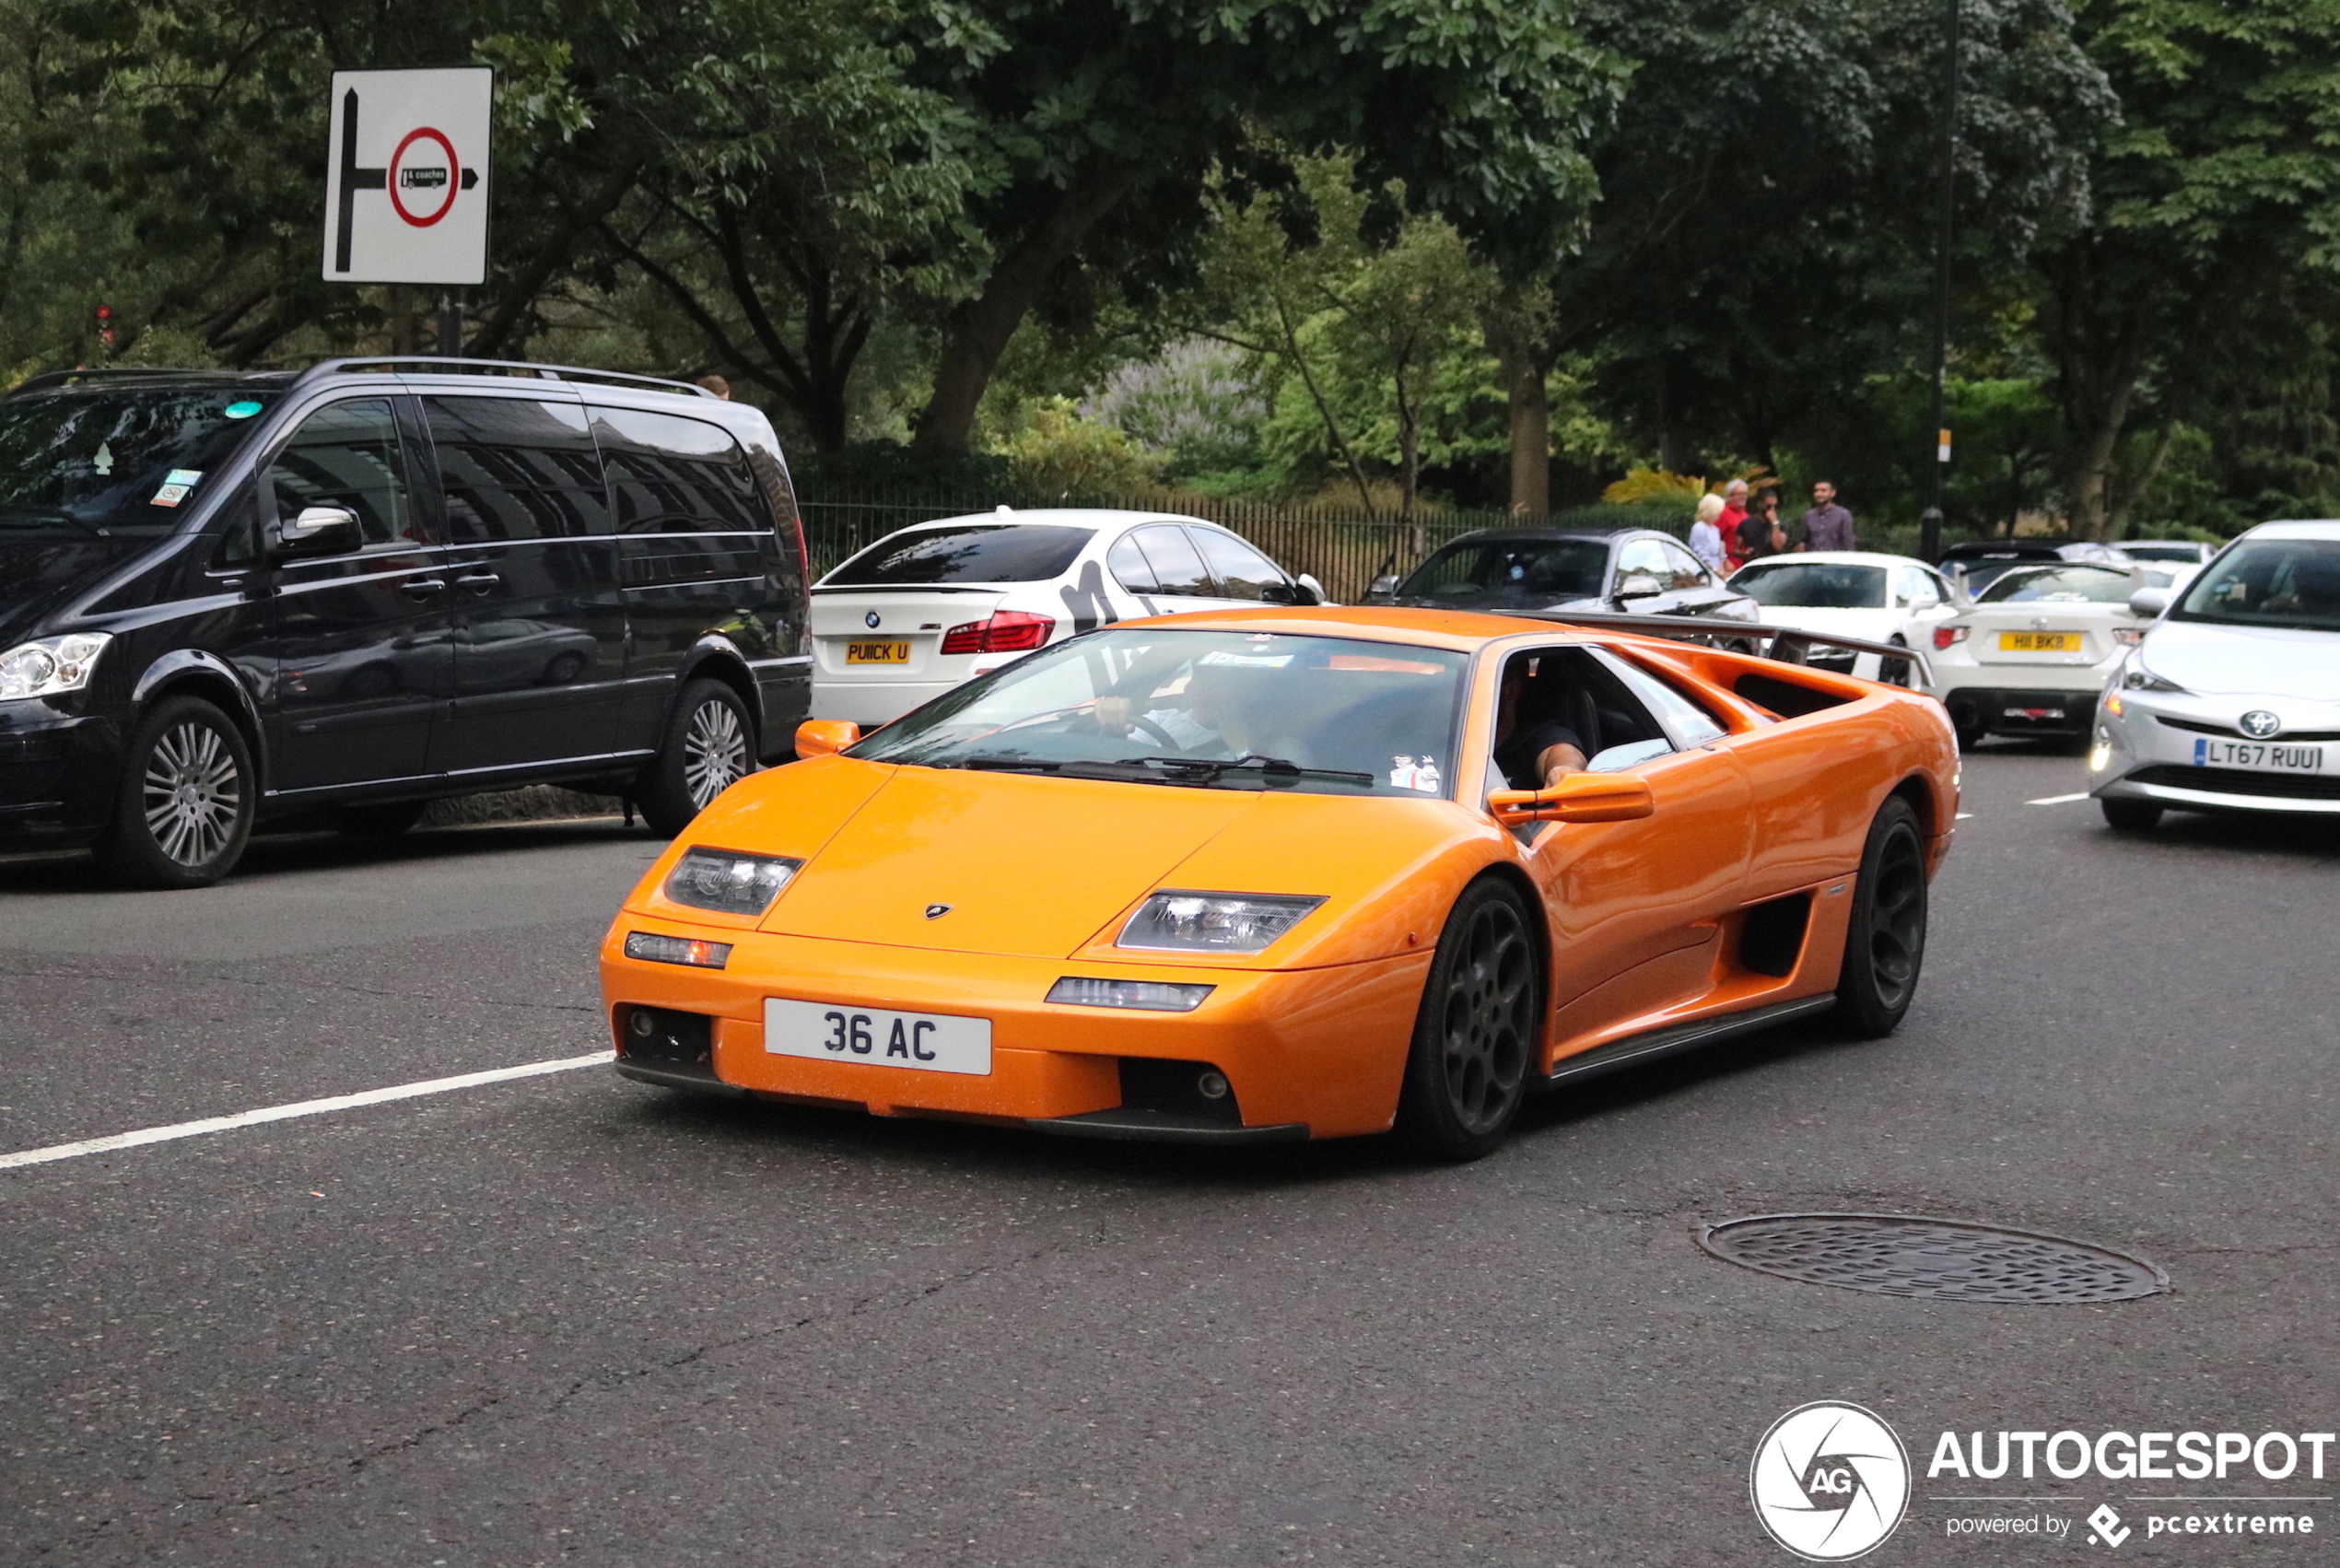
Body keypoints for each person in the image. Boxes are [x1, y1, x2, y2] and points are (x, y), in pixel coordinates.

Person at [1492, 658, 1589, 790]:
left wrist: (1565, 772)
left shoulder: (1540, 737)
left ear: (1511, 690)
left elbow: (1560, 753)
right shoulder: (1455, 738)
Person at [1799, 480, 1856, 552]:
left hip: (1835, 560)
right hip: (1814, 560)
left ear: (1832, 493)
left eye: (1823, 491)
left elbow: (1849, 542)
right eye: (1816, 491)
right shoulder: (1809, 516)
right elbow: (1803, 541)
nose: (1819, 494)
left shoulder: (1843, 515)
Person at [1737, 489, 1783, 564]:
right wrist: (1745, 553)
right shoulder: (1746, 524)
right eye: (1769, 506)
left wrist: (1774, 523)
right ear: (1760, 504)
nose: (1772, 509)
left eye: (1775, 506)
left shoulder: (1780, 525)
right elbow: (1736, 550)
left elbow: (1778, 546)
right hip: (1754, 565)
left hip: (1773, 565)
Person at [1689, 493, 1729, 576]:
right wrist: (1715, 571)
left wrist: (1721, 568)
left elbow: (1719, 552)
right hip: (1704, 571)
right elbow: (1701, 553)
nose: (1719, 515)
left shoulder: (1715, 529)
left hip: (1717, 570)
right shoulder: (1699, 527)